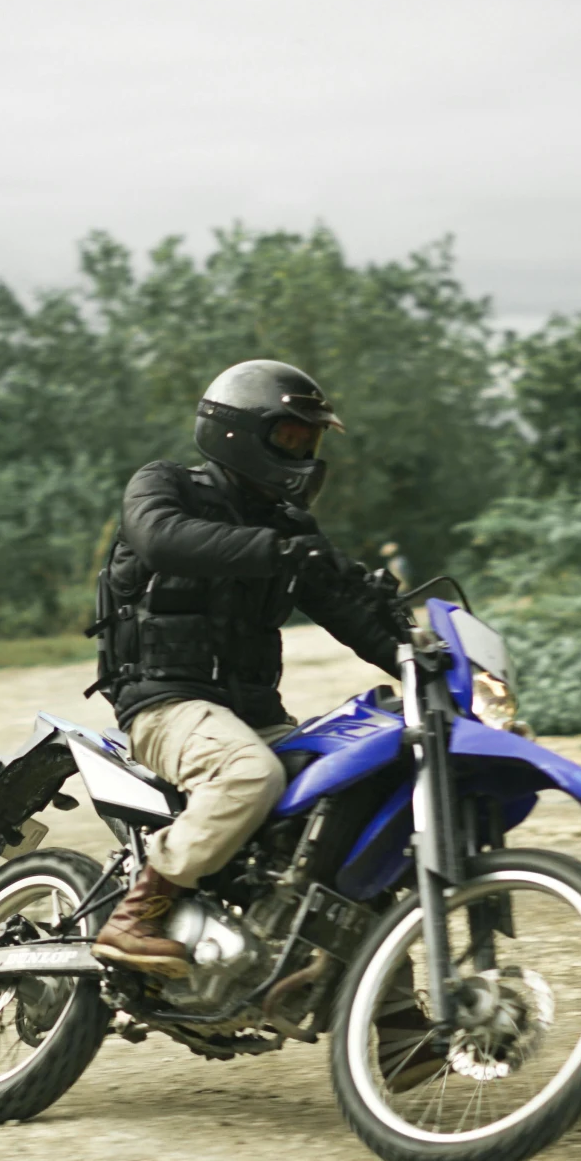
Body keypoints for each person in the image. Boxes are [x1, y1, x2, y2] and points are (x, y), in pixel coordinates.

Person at [92, 360, 404, 974]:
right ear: (237, 431)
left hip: (253, 714)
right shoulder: (165, 486)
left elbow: (355, 619)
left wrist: (422, 656)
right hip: (163, 702)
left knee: (358, 793)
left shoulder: (290, 528)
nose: (303, 452)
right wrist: (281, 552)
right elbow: (160, 538)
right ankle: (138, 914)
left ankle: (393, 1021)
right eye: (290, 437)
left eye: (308, 442)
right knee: (248, 774)